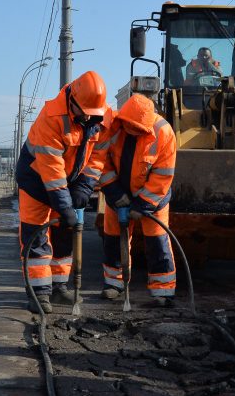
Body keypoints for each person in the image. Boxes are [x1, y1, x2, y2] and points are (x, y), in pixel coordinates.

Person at [15, 70, 109, 314]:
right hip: (36, 180)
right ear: (72, 100)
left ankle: (59, 289)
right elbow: (51, 169)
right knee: (37, 238)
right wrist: (65, 206)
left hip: (66, 182)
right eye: (83, 113)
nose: (88, 118)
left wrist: (84, 187)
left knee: (64, 237)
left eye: (93, 115)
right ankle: (39, 294)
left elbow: (98, 157)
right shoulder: (52, 117)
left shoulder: (97, 116)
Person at [96, 93, 178, 307]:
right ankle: (114, 284)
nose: (135, 132)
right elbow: (101, 162)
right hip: (118, 194)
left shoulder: (164, 133)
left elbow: (163, 174)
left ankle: (163, 290)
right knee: (113, 239)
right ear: (123, 121)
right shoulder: (111, 128)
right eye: (131, 127)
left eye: (139, 130)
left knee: (157, 241)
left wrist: (142, 205)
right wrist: (114, 192)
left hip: (153, 198)